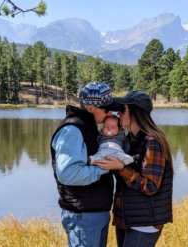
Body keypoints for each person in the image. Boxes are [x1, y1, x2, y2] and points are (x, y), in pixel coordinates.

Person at [94, 91, 174, 247]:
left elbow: (150, 186)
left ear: (135, 112)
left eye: (123, 110)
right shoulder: (129, 139)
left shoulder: (152, 141)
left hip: (145, 222)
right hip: (127, 218)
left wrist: (121, 168)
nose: (119, 114)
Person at [50, 82, 122, 247]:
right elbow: (68, 174)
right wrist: (105, 167)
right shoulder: (72, 130)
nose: (111, 112)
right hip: (82, 216)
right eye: (107, 109)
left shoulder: (88, 127)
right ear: (91, 108)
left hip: (94, 214)